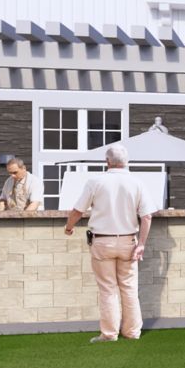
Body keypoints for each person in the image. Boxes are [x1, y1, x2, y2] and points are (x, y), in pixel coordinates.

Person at [62, 143, 156, 342]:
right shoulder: (137, 182)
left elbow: (78, 211)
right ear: (127, 162)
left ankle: (109, 334)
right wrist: (141, 244)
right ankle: (132, 332)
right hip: (129, 241)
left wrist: (69, 227)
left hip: (102, 242)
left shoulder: (95, 181)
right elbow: (146, 217)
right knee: (129, 288)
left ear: (107, 161)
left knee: (108, 289)